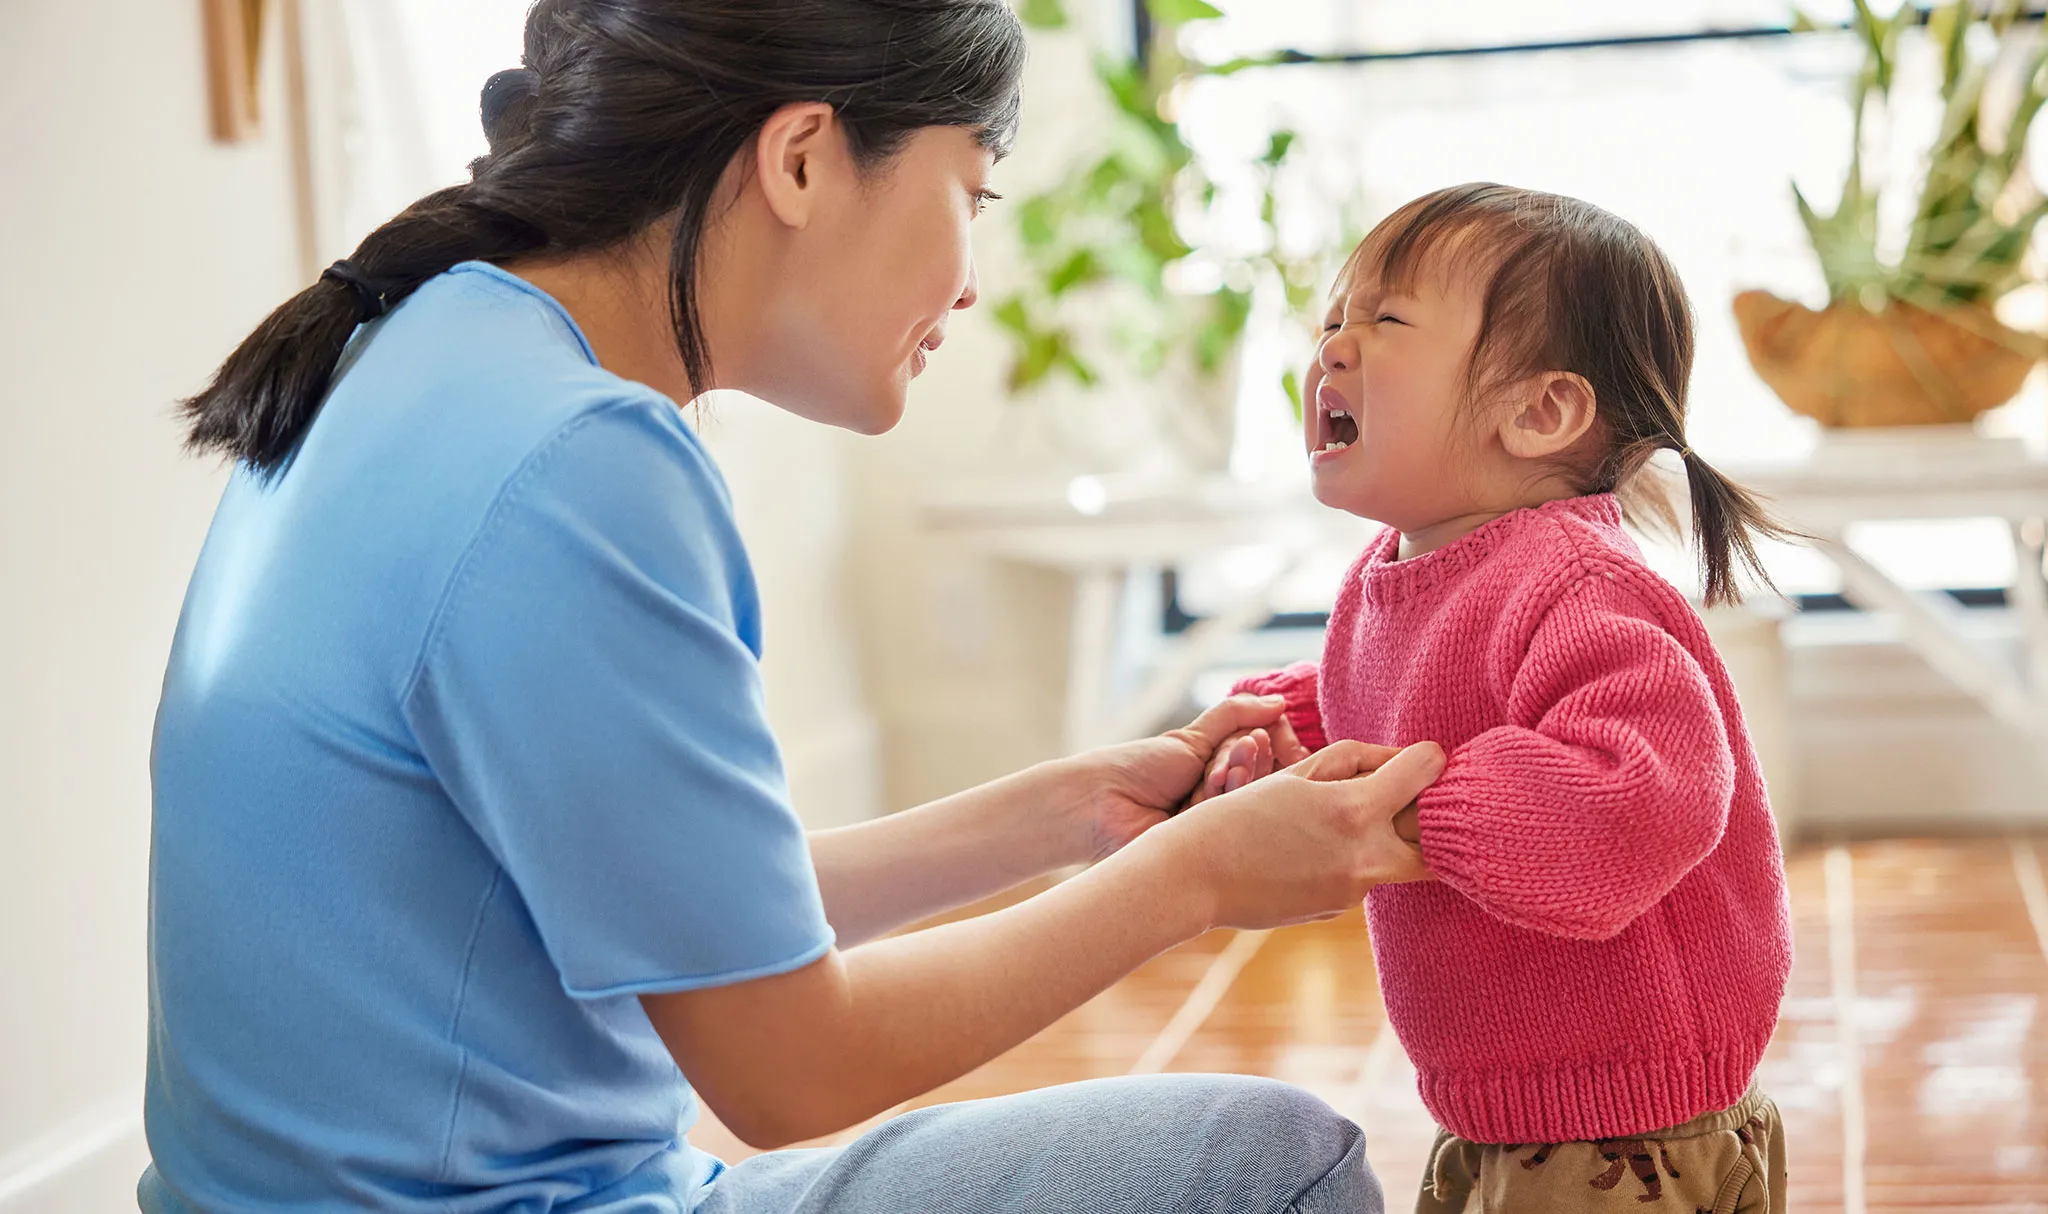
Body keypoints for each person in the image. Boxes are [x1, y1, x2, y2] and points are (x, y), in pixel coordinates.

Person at [138, 3, 1445, 1211]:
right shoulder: (582, 462)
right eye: (970, 194)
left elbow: (681, 913)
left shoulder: (418, 354)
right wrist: (1195, 876)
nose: (972, 283)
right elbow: (791, 1063)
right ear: (803, 159)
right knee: (1271, 1165)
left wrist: (1072, 812)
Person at [1198, 184, 1795, 1213]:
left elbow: (1639, 798)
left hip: (1626, 1126)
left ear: (1539, 412)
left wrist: (1398, 804)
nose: (1332, 346)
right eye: (1333, 319)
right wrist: (1278, 732)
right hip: (1503, 1103)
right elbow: (1388, 704)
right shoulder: (1395, 570)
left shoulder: (1575, 584)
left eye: (1386, 321)